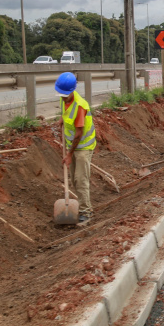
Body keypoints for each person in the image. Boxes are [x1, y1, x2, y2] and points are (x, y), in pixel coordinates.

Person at [55, 72, 96, 223]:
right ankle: (82, 206)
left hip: (83, 146)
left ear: (72, 91)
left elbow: (78, 134)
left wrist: (69, 154)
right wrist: (62, 119)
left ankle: (86, 211)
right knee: (73, 179)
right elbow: (66, 112)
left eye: (65, 94)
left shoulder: (80, 106)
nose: (62, 97)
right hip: (72, 145)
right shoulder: (64, 99)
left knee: (80, 179)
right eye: (61, 94)